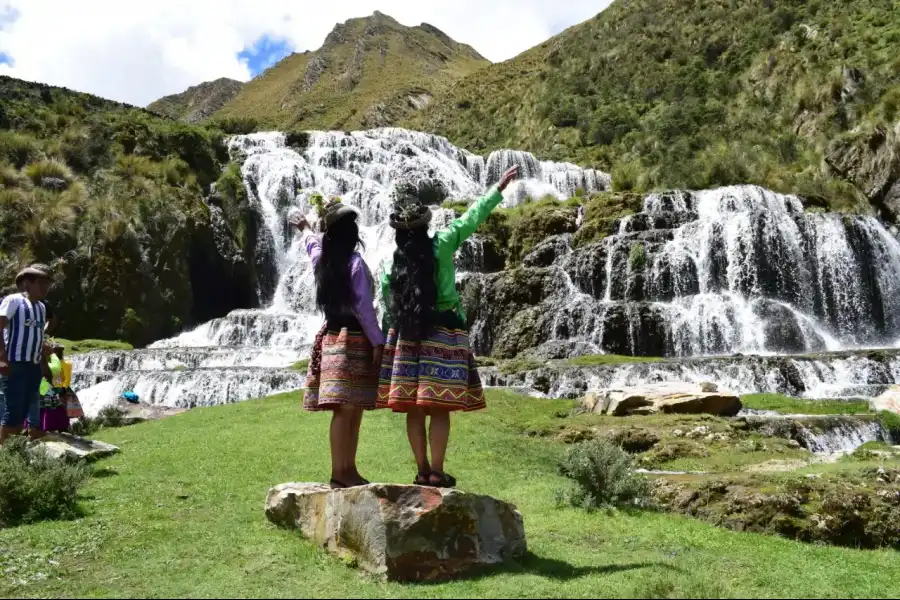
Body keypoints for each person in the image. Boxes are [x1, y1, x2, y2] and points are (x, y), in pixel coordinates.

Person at [378, 166, 519, 488]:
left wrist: (389, 337)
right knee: (438, 407)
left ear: (399, 231)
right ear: (426, 225)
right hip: (445, 332)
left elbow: (387, 300)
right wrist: (497, 189)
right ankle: (437, 473)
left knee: (415, 408)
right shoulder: (441, 245)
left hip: (408, 336)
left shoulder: (392, 262)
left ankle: (421, 470)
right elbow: (471, 218)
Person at [290, 198, 385, 489]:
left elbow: (311, 245)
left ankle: (347, 469)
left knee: (346, 409)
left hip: (331, 337)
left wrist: (305, 227)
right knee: (350, 410)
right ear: (351, 234)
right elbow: (365, 309)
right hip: (355, 340)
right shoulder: (355, 263)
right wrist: (378, 343)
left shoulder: (324, 261)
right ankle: (341, 471)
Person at [0, 264, 52, 443]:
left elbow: (38, 335)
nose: (45, 288)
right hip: (14, 363)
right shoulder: (13, 301)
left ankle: (17, 447)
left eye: (48, 284)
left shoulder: (42, 308)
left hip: (33, 364)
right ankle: (6, 453)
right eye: (41, 283)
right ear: (27, 284)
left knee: (25, 407)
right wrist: (2, 358)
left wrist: (43, 359)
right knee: (13, 408)